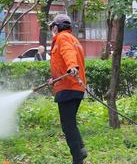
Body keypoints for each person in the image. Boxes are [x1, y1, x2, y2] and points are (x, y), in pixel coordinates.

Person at [48, 14, 87, 164]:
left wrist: (72, 67)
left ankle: (78, 157)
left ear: (57, 27)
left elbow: (68, 54)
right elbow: (63, 61)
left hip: (68, 87)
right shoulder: (74, 39)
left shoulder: (62, 38)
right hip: (75, 86)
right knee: (70, 122)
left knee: (67, 124)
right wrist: (55, 78)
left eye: (53, 28)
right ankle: (80, 149)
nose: (53, 31)